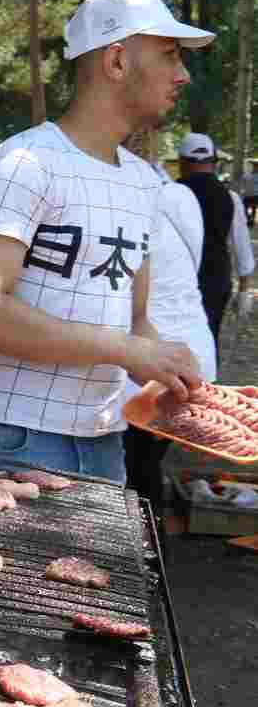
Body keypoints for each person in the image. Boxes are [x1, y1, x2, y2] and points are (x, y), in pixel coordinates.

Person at [0, 0, 211, 481]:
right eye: (169, 55)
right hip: (11, 439)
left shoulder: (141, 180)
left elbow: (134, 320)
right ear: (116, 61)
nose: (183, 75)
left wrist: (169, 372)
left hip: (103, 441)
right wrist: (130, 350)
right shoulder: (24, 163)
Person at [126, 172, 221, 502]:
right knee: (145, 467)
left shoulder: (124, 209)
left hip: (151, 364)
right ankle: (154, 545)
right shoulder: (181, 198)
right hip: (192, 351)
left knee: (135, 473)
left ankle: (148, 549)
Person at [175, 132, 255, 343]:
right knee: (208, 341)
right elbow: (242, 246)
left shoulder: (167, 194)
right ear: (214, 162)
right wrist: (245, 288)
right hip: (215, 281)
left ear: (182, 162)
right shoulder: (230, 198)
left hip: (175, 282)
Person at [239, 159, 258, 226]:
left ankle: (251, 220)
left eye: (256, 166)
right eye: (254, 166)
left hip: (256, 195)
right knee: (245, 208)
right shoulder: (246, 175)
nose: (255, 168)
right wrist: (242, 192)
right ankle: (249, 218)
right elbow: (242, 185)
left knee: (254, 208)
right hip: (247, 195)